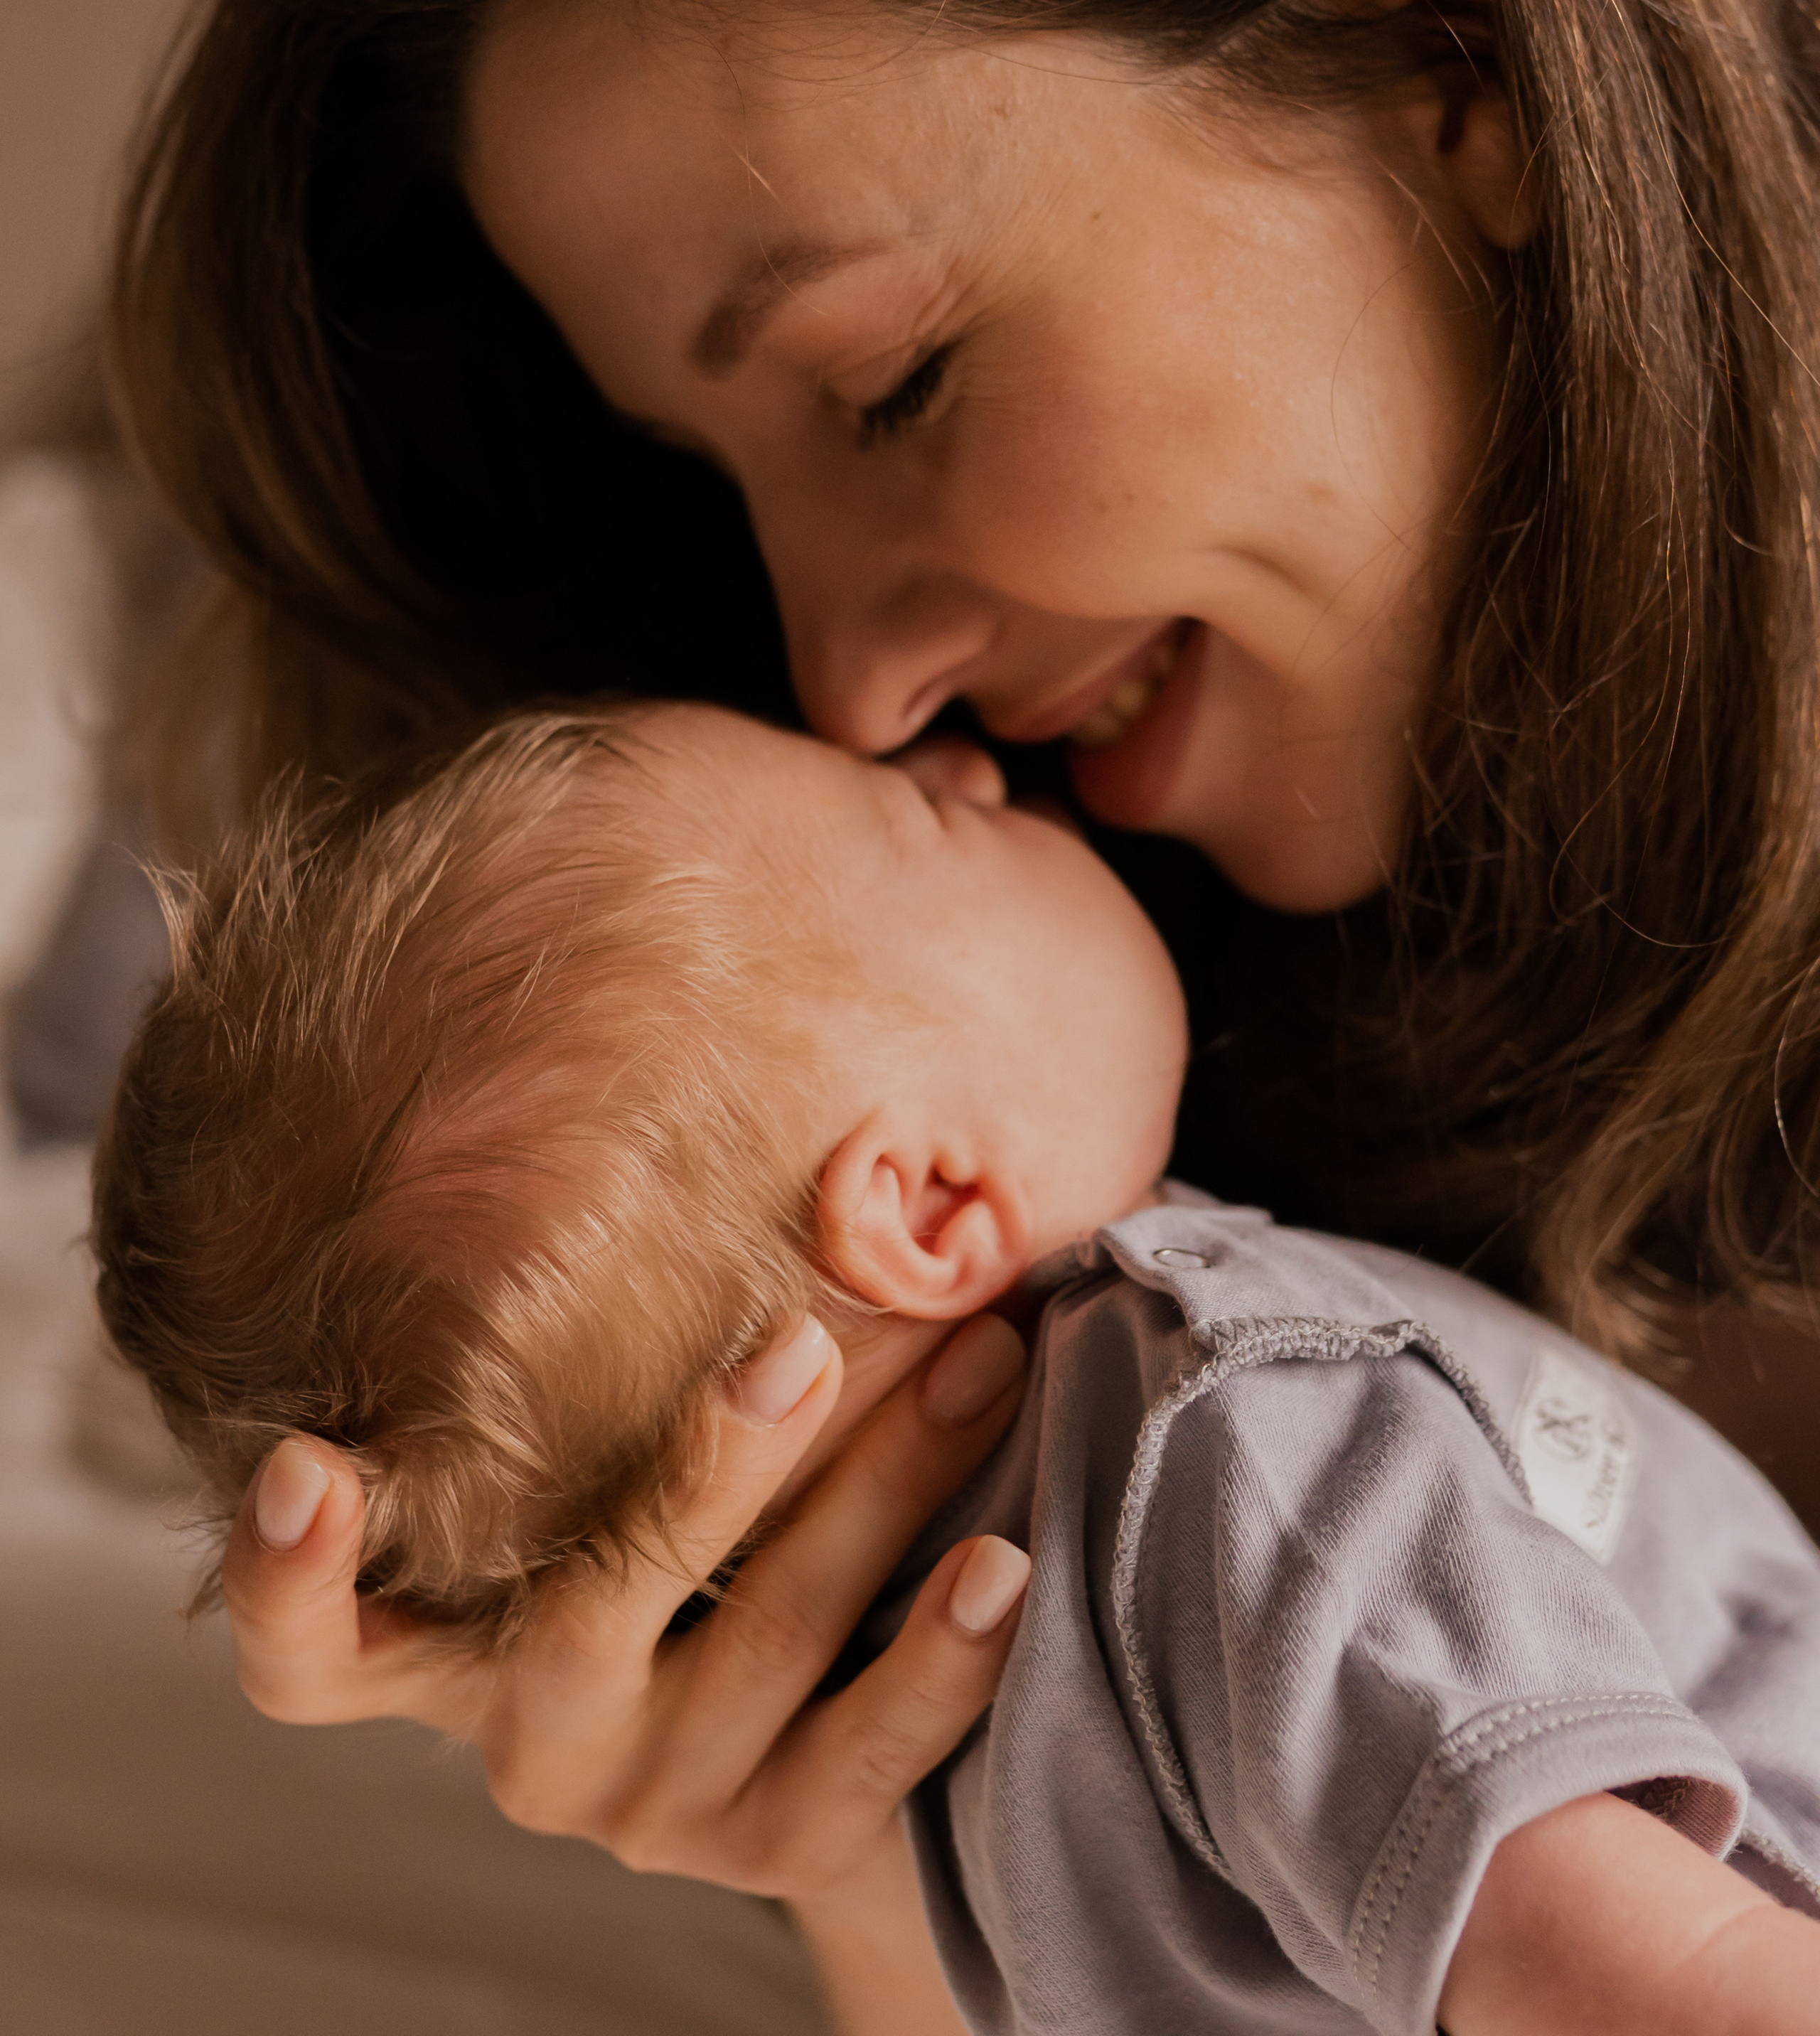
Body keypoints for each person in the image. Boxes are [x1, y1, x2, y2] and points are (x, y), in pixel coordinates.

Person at [103, 0, 1820, 2017]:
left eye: (892, 379)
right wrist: (864, 1830)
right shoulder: (1048, 1211)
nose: (854, 687)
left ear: (1457, 46)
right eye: (716, 491)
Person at [93, 700, 1820, 2034]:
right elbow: (1653, 1976)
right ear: (923, 1204)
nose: (965, 761)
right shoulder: (1233, 1437)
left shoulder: (941, 1736)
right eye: (920, 819)